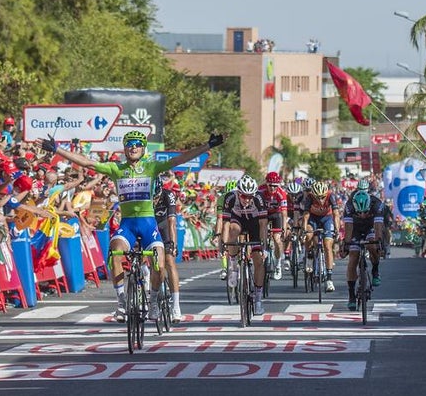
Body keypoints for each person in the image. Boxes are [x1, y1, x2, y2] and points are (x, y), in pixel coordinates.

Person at [44, 130, 221, 322]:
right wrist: (57, 149)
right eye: (130, 144)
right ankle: (121, 303)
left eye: (137, 144)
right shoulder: (116, 168)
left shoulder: (151, 167)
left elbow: (180, 159)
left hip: (148, 224)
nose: (134, 147)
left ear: (143, 148)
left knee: (160, 264)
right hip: (127, 224)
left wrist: (207, 146)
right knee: (116, 251)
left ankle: (153, 302)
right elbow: (87, 162)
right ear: (125, 148)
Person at [220, 175, 270, 315]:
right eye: (243, 196)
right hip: (238, 220)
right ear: (238, 193)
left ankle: (258, 300)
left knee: (258, 261)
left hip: (255, 224)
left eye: (250, 196)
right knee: (233, 230)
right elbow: (226, 224)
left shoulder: (259, 198)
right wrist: (224, 244)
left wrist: (263, 246)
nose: (247, 200)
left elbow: (263, 224)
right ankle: (234, 264)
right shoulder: (230, 198)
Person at [342, 188, 386, 310]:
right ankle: (351, 295)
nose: (362, 215)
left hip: (370, 227)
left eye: (365, 212)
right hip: (355, 229)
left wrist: (379, 243)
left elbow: (378, 228)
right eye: (359, 213)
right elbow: (348, 229)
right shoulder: (349, 206)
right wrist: (346, 245)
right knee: (353, 258)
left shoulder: (377, 204)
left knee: (372, 245)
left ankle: (375, 271)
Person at [152, 175, 183, 322]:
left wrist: (173, 244)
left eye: (156, 197)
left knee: (170, 261)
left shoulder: (168, 195)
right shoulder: (143, 197)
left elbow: (172, 222)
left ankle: (176, 306)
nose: (154, 201)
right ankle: (152, 298)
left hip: (164, 227)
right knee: (153, 264)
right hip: (150, 228)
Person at [301, 180, 341, 292]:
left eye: (322, 197)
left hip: (326, 219)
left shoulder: (331, 195)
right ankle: (309, 256)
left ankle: (329, 279)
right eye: (317, 197)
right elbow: (305, 216)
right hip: (313, 219)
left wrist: (337, 230)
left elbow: (336, 214)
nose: (320, 200)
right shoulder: (309, 197)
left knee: (328, 245)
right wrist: (304, 230)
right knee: (309, 234)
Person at [257, 171, 288, 280]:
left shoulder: (281, 193)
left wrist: (283, 229)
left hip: (276, 214)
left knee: (277, 239)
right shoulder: (260, 190)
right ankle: (264, 247)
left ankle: (278, 264)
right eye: (270, 186)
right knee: (263, 224)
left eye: (275, 186)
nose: (273, 188)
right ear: (266, 183)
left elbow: (284, 213)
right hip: (264, 213)